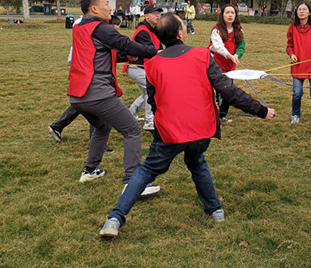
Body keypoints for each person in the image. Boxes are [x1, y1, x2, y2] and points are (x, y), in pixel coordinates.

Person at [99, 13, 277, 237]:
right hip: (193, 131)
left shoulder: (159, 63)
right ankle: (214, 209)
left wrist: (259, 111)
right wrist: (262, 110)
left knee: (158, 169)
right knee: (192, 162)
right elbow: (228, 91)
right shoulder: (199, 56)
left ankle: (115, 218)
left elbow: (154, 101)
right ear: (181, 33)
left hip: (177, 131)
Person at [67, 0, 159, 194]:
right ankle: (133, 182)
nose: (110, 7)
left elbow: (97, 55)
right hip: (97, 93)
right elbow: (124, 43)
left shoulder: (80, 27)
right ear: (94, 9)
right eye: (107, 3)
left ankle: (90, 171)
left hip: (77, 96)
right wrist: (154, 52)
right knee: (133, 129)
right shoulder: (100, 28)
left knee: (102, 127)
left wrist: (126, 57)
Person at [49, 16, 120, 145]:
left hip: (87, 68)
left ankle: (58, 126)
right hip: (85, 68)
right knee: (91, 104)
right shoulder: (86, 25)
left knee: (84, 104)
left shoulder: (93, 25)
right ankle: (96, 143)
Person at [125, 4, 163, 131]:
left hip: (144, 68)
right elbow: (151, 50)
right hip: (137, 67)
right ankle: (149, 120)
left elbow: (160, 49)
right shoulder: (143, 31)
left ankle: (130, 115)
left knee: (145, 93)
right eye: (154, 13)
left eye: (159, 13)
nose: (158, 16)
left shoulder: (154, 29)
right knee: (152, 91)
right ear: (146, 16)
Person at [208, 4, 245, 122]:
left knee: (228, 91)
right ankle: (216, 116)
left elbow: (241, 46)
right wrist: (230, 55)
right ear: (222, 15)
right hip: (215, 64)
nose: (230, 15)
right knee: (220, 91)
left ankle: (221, 115)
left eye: (232, 13)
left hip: (229, 66)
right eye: (227, 12)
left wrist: (236, 55)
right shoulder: (216, 30)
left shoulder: (238, 31)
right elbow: (218, 47)